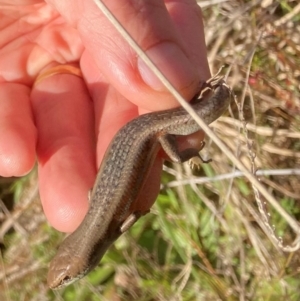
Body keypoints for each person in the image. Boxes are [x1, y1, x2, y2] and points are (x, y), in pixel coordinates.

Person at [0, 0, 210, 233]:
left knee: (178, 138)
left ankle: (199, 120)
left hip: (147, 130)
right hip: (139, 130)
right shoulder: (95, 207)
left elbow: (129, 217)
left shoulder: (109, 223)